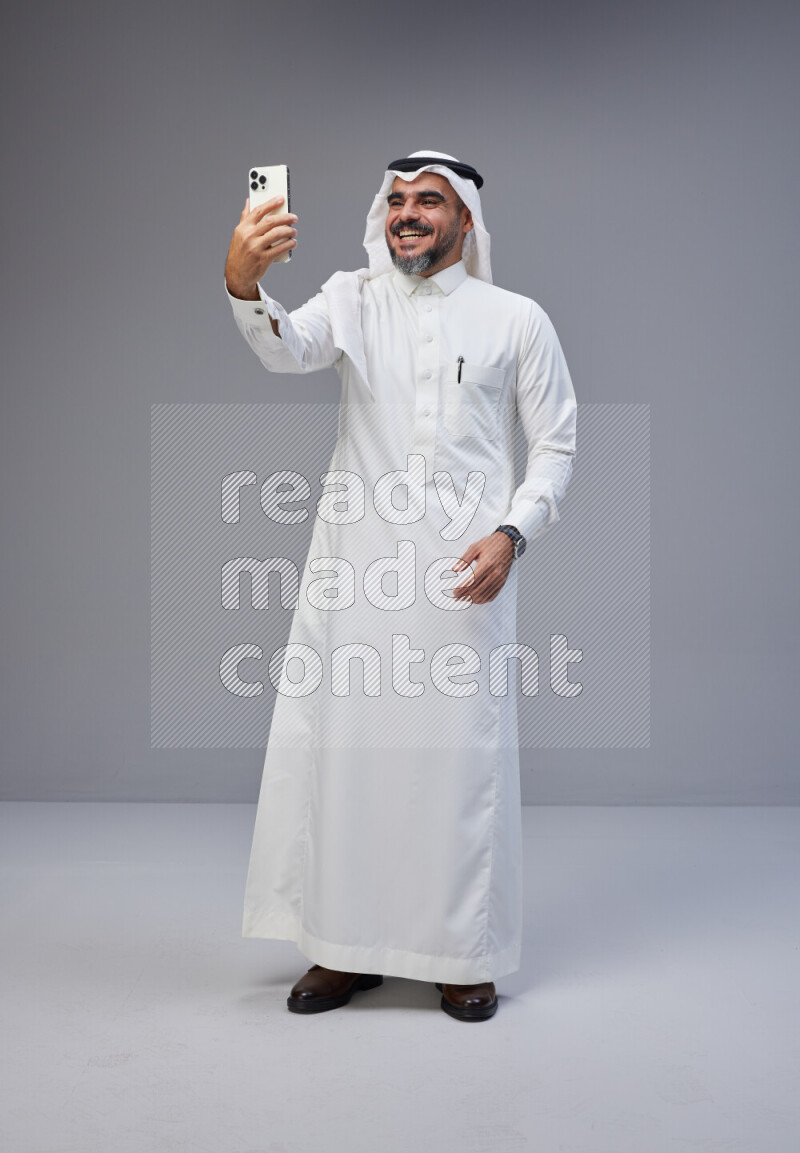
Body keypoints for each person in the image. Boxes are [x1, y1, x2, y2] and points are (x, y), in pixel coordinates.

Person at [224, 150, 577, 1022]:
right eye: (398, 201)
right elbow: (288, 348)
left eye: (430, 202)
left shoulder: (517, 319)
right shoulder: (353, 297)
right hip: (359, 575)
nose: (409, 214)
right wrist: (243, 286)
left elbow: (558, 445)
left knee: (457, 770)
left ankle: (461, 953)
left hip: (465, 581)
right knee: (350, 765)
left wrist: (512, 533)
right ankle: (343, 950)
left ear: (466, 222)